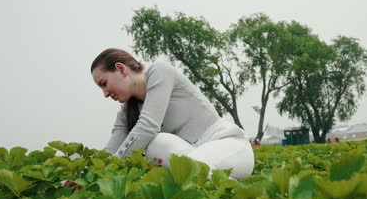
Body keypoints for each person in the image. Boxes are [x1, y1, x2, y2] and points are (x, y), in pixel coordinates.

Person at [90, 48, 254, 180]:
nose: (105, 93)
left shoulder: (159, 71)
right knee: (167, 156)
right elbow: (110, 152)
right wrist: (82, 176)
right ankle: (234, 196)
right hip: (196, 158)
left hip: (231, 147)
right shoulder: (127, 112)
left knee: (164, 147)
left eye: (104, 84)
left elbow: (148, 127)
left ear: (121, 69)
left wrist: (109, 171)